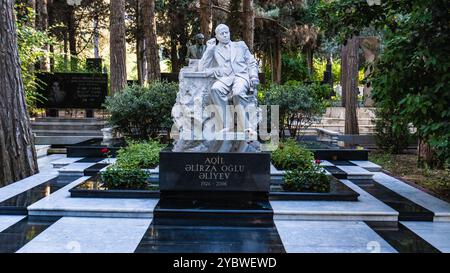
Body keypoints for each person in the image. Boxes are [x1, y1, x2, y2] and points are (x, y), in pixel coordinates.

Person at [199, 24, 259, 136]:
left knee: (237, 93)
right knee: (215, 89)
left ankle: (247, 127)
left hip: (241, 76)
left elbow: (251, 62)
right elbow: (202, 67)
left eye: (227, 32)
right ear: (216, 36)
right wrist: (209, 50)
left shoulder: (240, 45)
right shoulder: (214, 50)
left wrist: (254, 76)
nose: (225, 35)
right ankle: (226, 125)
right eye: (222, 33)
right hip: (225, 78)